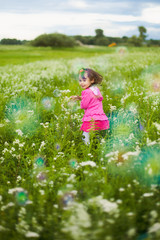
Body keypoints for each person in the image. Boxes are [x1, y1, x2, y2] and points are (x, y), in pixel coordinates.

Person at [71, 68, 109, 145]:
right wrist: (80, 98)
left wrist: (82, 101)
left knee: (85, 134)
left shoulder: (86, 92)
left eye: (84, 80)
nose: (81, 83)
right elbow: (94, 99)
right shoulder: (95, 89)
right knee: (96, 133)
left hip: (91, 117)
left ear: (92, 80)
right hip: (98, 116)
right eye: (80, 80)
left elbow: (84, 105)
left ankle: (87, 147)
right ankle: (98, 145)